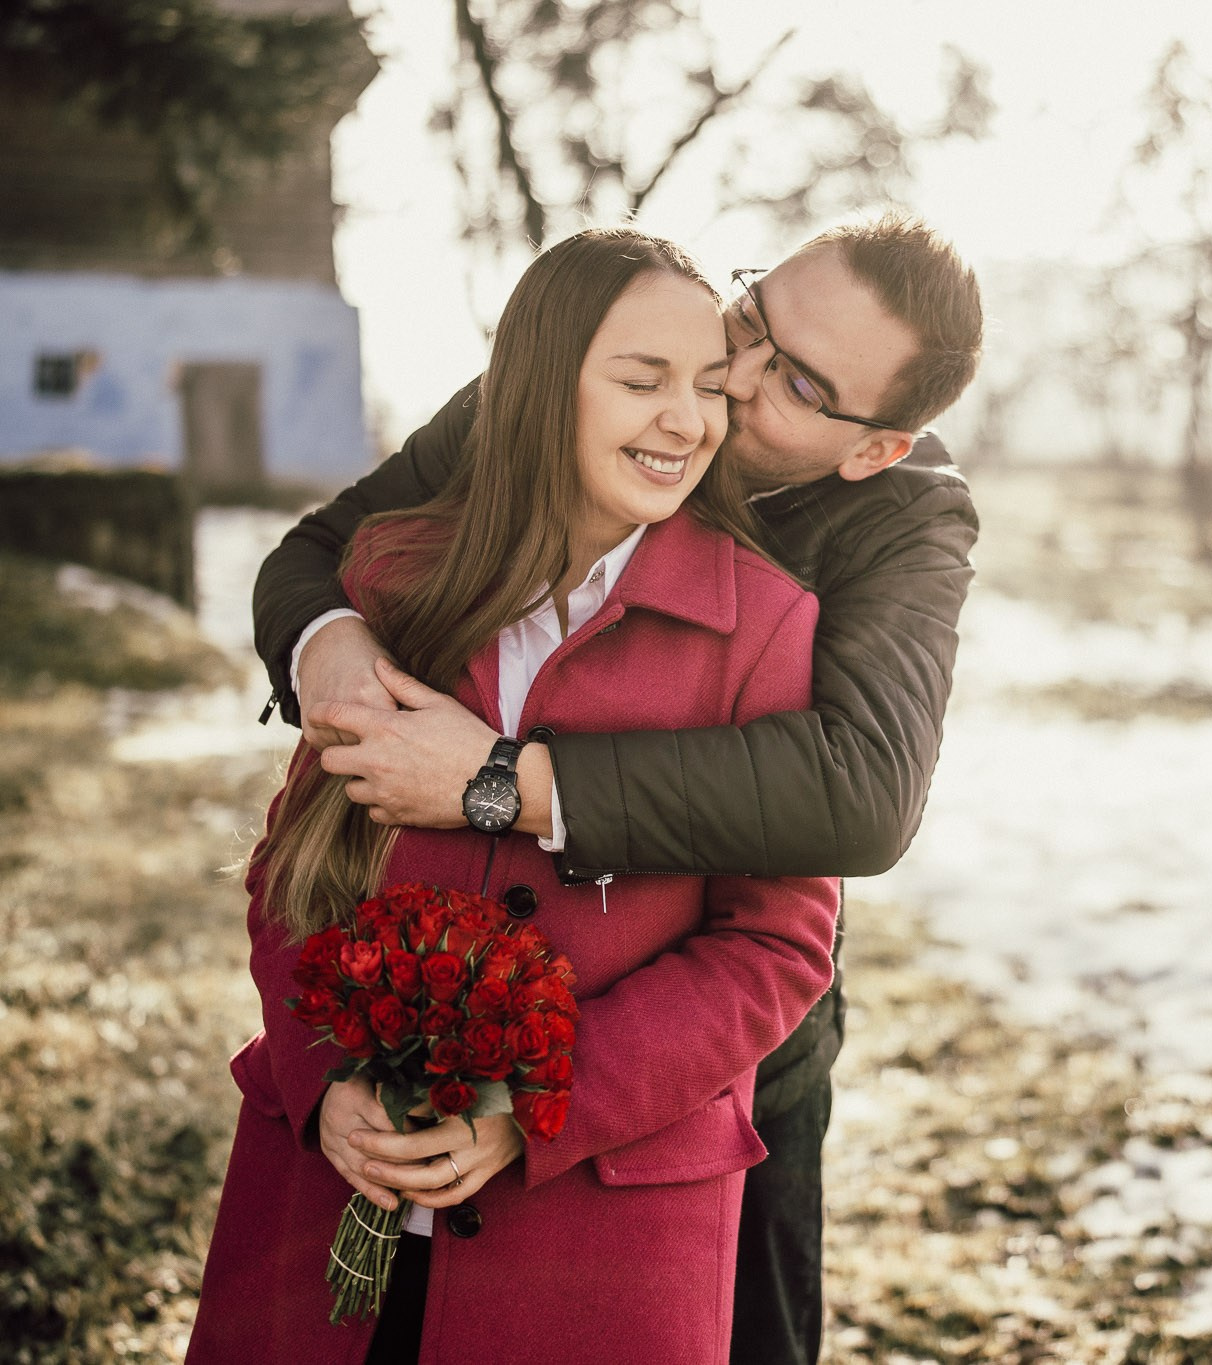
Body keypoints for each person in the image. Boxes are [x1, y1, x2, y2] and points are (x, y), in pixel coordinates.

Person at [250, 211, 984, 1365]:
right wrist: (337, 649)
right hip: (405, 1013)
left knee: (734, 1329)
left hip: (712, 1050)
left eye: (791, 379)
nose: (728, 380)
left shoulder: (898, 520)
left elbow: (862, 792)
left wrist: (502, 784)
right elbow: (325, 557)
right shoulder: (573, 389)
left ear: (870, 447)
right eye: (751, 317)